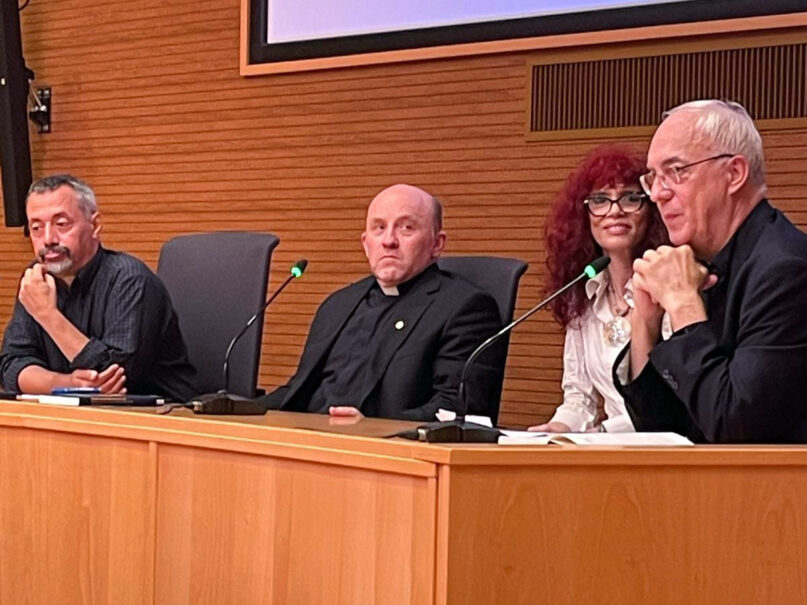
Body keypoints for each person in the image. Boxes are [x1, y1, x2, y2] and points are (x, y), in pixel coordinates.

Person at [618, 99, 807, 443]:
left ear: (734, 174)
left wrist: (682, 305)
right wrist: (644, 323)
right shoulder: (702, 261)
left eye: (676, 171)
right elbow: (666, 431)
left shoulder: (787, 270)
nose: (658, 194)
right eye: (653, 178)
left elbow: (737, 428)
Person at [258, 183, 505, 421]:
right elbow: (297, 394)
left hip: (387, 455)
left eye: (406, 228)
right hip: (307, 444)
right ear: (366, 244)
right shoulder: (338, 304)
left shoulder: (465, 308)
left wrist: (371, 428)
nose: (389, 241)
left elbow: (455, 410)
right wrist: (234, 409)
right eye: (379, 228)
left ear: (437, 244)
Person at [0, 174, 197, 401]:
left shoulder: (130, 279)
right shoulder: (36, 281)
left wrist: (48, 316)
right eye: (36, 228)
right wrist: (67, 383)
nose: (48, 239)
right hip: (75, 417)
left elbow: (115, 376)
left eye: (61, 224)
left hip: (157, 419)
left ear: (94, 225)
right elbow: (12, 366)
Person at [529, 145, 668, 433]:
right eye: (601, 200)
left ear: (651, 210)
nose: (614, 211)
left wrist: (606, 432)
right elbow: (578, 398)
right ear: (584, 215)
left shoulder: (668, 286)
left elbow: (673, 400)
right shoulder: (584, 294)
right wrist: (558, 428)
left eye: (630, 199)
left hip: (663, 448)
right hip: (607, 451)